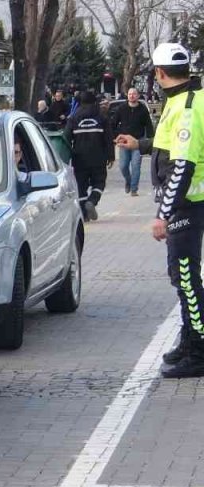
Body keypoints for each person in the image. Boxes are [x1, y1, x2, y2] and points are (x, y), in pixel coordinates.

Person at [116, 43, 204, 377]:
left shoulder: (186, 107)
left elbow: (182, 165)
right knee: (181, 276)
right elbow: (171, 147)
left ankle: (199, 349)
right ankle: (191, 339)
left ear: (159, 73)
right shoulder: (183, 100)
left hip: (187, 205)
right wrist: (140, 144)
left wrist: (163, 215)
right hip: (186, 203)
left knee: (185, 277)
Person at [65, 90, 114, 222]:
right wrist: (111, 156)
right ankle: (92, 200)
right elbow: (108, 138)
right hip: (99, 157)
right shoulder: (102, 117)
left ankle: (84, 214)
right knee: (99, 182)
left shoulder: (73, 118)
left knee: (81, 185)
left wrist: (67, 157)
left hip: (79, 158)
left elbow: (66, 138)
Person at [110, 87, 154, 195]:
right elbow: (113, 124)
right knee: (123, 166)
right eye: (130, 94)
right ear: (127, 96)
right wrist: (115, 137)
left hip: (138, 142)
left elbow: (148, 125)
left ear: (138, 96)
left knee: (136, 166)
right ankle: (128, 181)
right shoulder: (121, 108)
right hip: (124, 141)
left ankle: (134, 189)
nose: (132, 96)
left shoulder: (143, 109)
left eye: (134, 94)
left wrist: (150, 140)